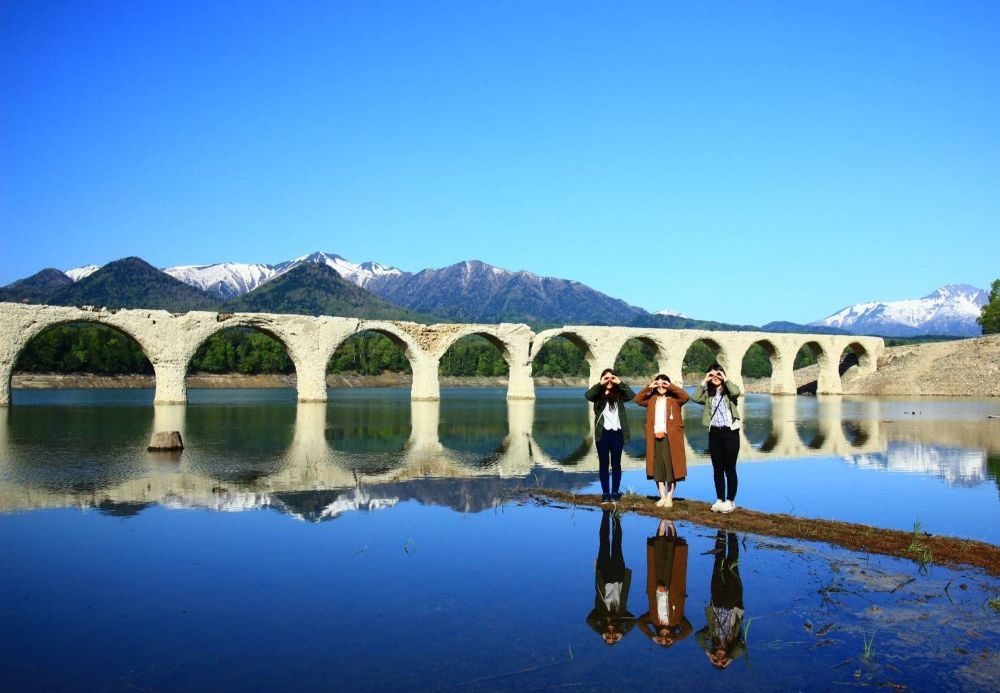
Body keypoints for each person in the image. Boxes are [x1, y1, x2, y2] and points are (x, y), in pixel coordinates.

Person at [690, 363, 742, 513]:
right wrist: (704, 381)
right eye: (712, 375)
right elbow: (695, 397)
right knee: (717, 469)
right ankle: (720, 499)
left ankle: (730, 501)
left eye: (718, 375)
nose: (715, 378)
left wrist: (724, 378)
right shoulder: (708, 394)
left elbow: (737, 392)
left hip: (730, 433)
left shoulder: (729, 392)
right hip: (714, 433)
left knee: (730, 468)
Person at [634, 374, 690, 508]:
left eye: (664, 383)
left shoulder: (675, 399)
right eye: (658, 384)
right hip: (655, 438)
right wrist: (649, 386)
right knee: (657, 468)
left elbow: (686, 396)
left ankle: (670, 497)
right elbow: (637, 399)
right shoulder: (651, 399)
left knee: (671, 468)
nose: (661, 386)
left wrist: (669, 385)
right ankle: (662, 497)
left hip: (671, 438)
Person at [637, 518, 692, 647]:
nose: (664, 637)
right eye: (667, 640)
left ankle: (662, 522)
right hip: (673, 584)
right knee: (673, 554)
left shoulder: (654, 619)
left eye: (661, 639)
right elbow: (688, 630)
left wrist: (652, 636)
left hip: (656, 584)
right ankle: (671, 524)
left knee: (658, 554)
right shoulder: (677, 621)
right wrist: (676, 638)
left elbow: (639, 622)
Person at [696, 530, 746, 669]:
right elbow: (742, 648)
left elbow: (698, 637)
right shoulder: (734, 641)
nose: (719, 658)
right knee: (732, 564)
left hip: (717, 600)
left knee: (718, 563)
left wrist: (707, 653)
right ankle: (732, 532)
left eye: (716, 660)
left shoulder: (712, 637)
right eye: (722, 660)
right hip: (733, 602)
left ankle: (720, 532)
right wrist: (729, 660)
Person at [586, 509, 636, 645]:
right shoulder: (622, 614)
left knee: (604, 542)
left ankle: (606, 513)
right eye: (614, 637)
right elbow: (634, 621)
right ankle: (616, 517)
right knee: (617, 543)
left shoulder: (600, 613)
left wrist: (600, 630)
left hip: (604, 576)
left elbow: (589, 621)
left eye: (608, 637)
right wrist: (623, 633)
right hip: (619, 577)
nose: (611, 634)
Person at [585, 368, 636, 502]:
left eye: (611, 378)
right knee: (603, 464)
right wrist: (600, 384)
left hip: (617, 434)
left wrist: (619, 382)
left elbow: (631, 395)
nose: (609, 380)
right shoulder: (598, 394)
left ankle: (614, 493)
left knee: (616, 464)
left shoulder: (619, 394)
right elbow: (588, 395)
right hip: (603, 434)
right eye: (606, 378)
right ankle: (605, 493)